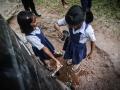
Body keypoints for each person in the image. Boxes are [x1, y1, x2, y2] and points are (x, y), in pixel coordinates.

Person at [54, 5, 96, 71]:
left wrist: (91, 52)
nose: (70, 26)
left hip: (79, 46)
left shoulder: (88, 30)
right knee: (70, 52)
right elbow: (56, 23)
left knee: (77, 57)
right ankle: (71, 59)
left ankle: (77, 63)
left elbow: (93, 41)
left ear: (82, 21)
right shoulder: (70, 19)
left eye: (73, 26)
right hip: (71, 41)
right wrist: (59, 30)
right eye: (69, 24)